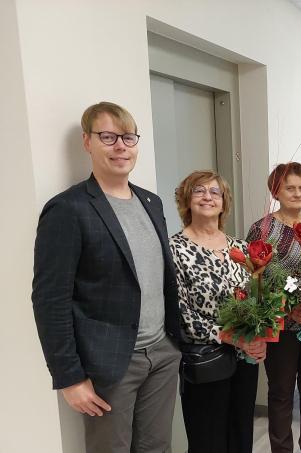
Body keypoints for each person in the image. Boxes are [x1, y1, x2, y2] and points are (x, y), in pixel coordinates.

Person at [32, 102, 182, 452]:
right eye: (108, 137)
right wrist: (69, 377)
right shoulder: (68, 209)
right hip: (110, 362)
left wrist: (173, 344)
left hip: (162, 352)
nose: (120, 147)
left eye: (128, 137)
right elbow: (50, 299)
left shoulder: (151, 202)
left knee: (157, 447)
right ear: (87, 142)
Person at [170, 170, 266, 452]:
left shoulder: (242, 248)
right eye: (199, 190)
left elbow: (259, 301)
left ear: (224, 202)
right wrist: (231, 337)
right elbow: (181, 315)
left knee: (241, 436)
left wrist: (260, 339)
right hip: (205, 360)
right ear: (187, 199)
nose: (208, 197)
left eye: (215, 192)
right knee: (208, 441)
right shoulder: (174, 249)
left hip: (244, 360)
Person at [246, 162, 301, 453]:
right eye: (290, 188)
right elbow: (255, 281)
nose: (297, 193)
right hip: (280, 325)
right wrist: (288, 310)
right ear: (276, 192)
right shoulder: (262, 229)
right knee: (281, 393)